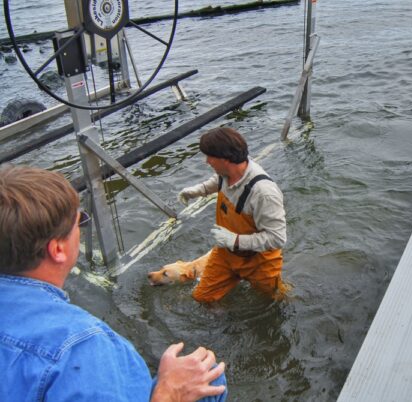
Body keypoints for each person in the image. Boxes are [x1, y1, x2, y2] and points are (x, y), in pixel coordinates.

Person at [0, 164, 228, 402]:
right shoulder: (85, 347)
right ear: (58, 249)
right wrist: (168, 394)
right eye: (80, 222)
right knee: (212, 378)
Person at [178, 127, 287, 303]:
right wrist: (198, 191)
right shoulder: (226, 172)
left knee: (272, 300)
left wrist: (235, 240)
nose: (207, 161)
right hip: (225, 253)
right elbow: (218, 181)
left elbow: (277, 238)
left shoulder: (264, 193)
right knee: (202, 297)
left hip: (259, 262)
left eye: (210, 157)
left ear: (225, 158)